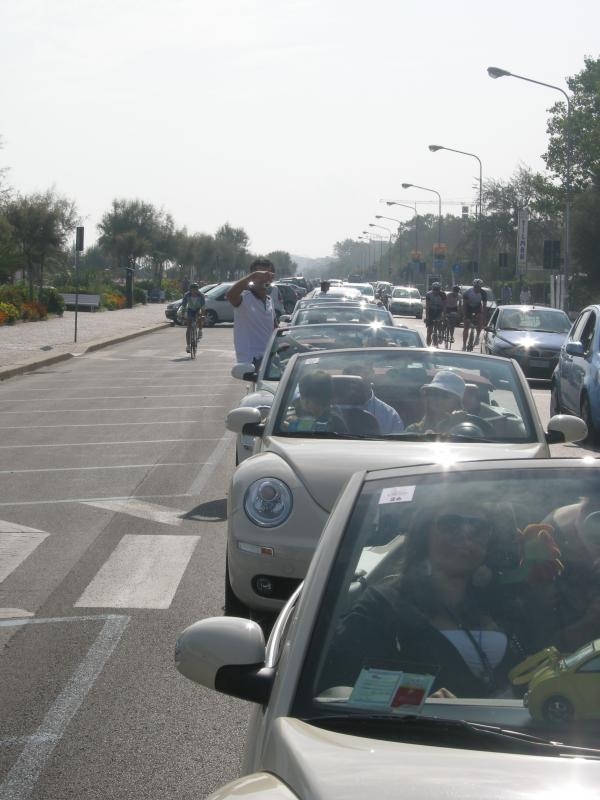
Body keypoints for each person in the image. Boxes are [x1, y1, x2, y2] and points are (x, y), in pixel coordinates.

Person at [324, 503, 528, 698]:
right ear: (424, 535)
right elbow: (335, 688)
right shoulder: (383, 606)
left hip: (514, 731)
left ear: (489, 543)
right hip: (416, 732)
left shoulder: (503, 604)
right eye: (451, 524)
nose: (466, 535)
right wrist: (416, 700)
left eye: (479, 528)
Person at [226, 258, 278, 367]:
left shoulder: (269, 300)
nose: (264, 280)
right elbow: (230, 295)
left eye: (267, 276)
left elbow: (275, 329)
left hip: (269, 356)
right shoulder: (245, 298)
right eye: (260, 276)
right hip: (252, 360)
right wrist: (253, 276)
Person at [341, 364, 405, 434]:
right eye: (350, 372)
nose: (355, 378)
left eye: (361, 371)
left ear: (372, 375)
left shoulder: (389, 415)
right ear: (343, 376)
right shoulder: (332, 411)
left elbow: (397, 443)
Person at [179, 282, 205, 353]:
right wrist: (182, 315)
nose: (194, 292)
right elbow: (183, 306)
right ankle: (188, 345)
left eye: (196, 290)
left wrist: (202, 315)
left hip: (197, 309)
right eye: (192, 290)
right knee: (189, 327)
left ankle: (200, 330)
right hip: (190, 309)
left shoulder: (201, 295)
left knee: (200, 316)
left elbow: (203, 307)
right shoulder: (187, 295)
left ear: (197, 290)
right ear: (190, 290)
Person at [462, 278, 487, 350]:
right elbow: (464, 305)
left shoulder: (483, 293)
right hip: (468, 307)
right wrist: (465, 316)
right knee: (466, 326)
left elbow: (484, 306)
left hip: (477, 307)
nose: (477, 288)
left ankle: (477, 336)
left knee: (480, 318)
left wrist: (484, 317)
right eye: (476, 287)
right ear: (474, 286)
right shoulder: (468, 292)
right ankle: (464, 344)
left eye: (479, 287)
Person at [425, 282, 446, 346]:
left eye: (437, 289)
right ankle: (428, 344)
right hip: (431, 311)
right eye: (434, 289)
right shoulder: (428, 294)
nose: (436, 291)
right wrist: (427, 317)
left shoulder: (443, 294)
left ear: (440, 289)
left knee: (439, 322)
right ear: (432, 289)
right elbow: (427, 307)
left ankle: (440, 333)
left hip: (439, 311)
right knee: (429, 331)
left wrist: (443, 316)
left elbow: (445, 306)